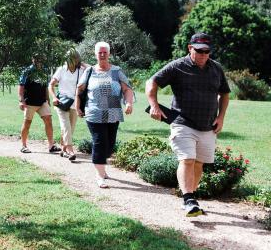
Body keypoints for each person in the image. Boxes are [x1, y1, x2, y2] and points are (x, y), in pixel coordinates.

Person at [146, 32, 230, 218]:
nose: (203, 55)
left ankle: (190, 198)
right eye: (199, 51)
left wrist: (221, 117)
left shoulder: (216, 68)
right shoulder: (177, 66)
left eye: (207, 51)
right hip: (182, 123)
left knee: (199, 164)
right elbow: (152, 82)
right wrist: (154, 106)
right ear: (190, 48)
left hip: (208, 126)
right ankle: (189, 199)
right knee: (187, 159)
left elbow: (224, 94)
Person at [75, 42, 134, 188]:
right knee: (99, 142)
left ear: (109, 54)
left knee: (110, 144)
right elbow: (80, 90)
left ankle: (102, 167)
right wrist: (77, 107)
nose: (102, 55)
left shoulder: (116, 71)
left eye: (104, 52)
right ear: (95, 54)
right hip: (94, 113)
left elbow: (127, 89)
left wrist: (129, 103)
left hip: (113, 113)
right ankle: (100, 175)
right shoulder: (89, 71)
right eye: (99, 52)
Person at [49, 48, 86, 161]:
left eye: (74, 59)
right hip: (62, 103)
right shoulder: (61, 69)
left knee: (70, 128)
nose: (71, 62)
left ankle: (63, 149)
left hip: (75, 103)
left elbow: (92, 68)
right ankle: (70, 150)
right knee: (66, 126)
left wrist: (81, 63)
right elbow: (50, 85)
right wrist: (54, 97)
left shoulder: (82, 70)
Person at [18, 55, 60, 154]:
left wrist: (48, 99)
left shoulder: (44, 71)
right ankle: (23, 146)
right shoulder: (27, 71)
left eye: (40, 58)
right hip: (30, 102)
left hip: (42, 102)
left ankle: (51, 145)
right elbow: (21, 86)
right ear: (32, 59)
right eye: (36, 58)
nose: (38, 60)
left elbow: (45, 86)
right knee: (27, 123)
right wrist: (21, 100)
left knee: (48, 120)